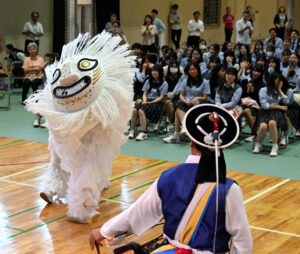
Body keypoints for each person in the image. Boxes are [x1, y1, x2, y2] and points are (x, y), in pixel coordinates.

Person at [89, 104, 253, 254]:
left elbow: (137, 213)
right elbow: (242, 243)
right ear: (221, 146)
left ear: (191, 141)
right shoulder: (229, 189)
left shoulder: (168, 177)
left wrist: (104, 231)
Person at [163, 62, 210, 143]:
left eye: (194, 69)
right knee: (178, 107)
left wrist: (198, 98)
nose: (192, 71)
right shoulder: (185, 81)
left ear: (198, 70)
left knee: (177, 111)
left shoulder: (205, 82)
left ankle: (176, 135)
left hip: (198, 104)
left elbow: (205, 97)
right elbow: (181, 95)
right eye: (190, 70)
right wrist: (185, 101)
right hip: (186, 102)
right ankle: (184, 127)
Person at [252, 73, 288, 157]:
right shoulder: (263, 90)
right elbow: (265, 105)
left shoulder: (278, 90)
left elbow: (286, 102)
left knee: (272, 123)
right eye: (277, 79)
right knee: (263, 126)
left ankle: (275, 146)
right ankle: (259, 144)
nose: (279, 81)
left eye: (280, 80)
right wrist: (279, 106)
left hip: (276, 112)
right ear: (272, 80)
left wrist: (279, 89)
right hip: (265, 112)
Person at [128, 64, 168, 140]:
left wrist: (149, 103)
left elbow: (161, 97)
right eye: (153, 70)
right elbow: (145, 93)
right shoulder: (148, 81)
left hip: (157, 103)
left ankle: (144, 133)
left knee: (141, 110)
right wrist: (145, 100)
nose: (154, 72)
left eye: (156, 71)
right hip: (147, 101)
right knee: (134, 110)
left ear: (160, 72)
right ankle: (132, 130)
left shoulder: (164, 83)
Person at [22, 42, 45, 127]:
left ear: (36, 50)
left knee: (35, 83)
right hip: (29, 76)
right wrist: (35, 68)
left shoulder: (40, 59)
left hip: (38, 77)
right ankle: (24, 99)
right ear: (28, 50)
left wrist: (32, 69)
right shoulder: (26, 59)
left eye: (34, 49)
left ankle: (36, 99)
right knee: (26, 82)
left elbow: (40, 69)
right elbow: (25, 71)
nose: (32, 50)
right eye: (31, 49)